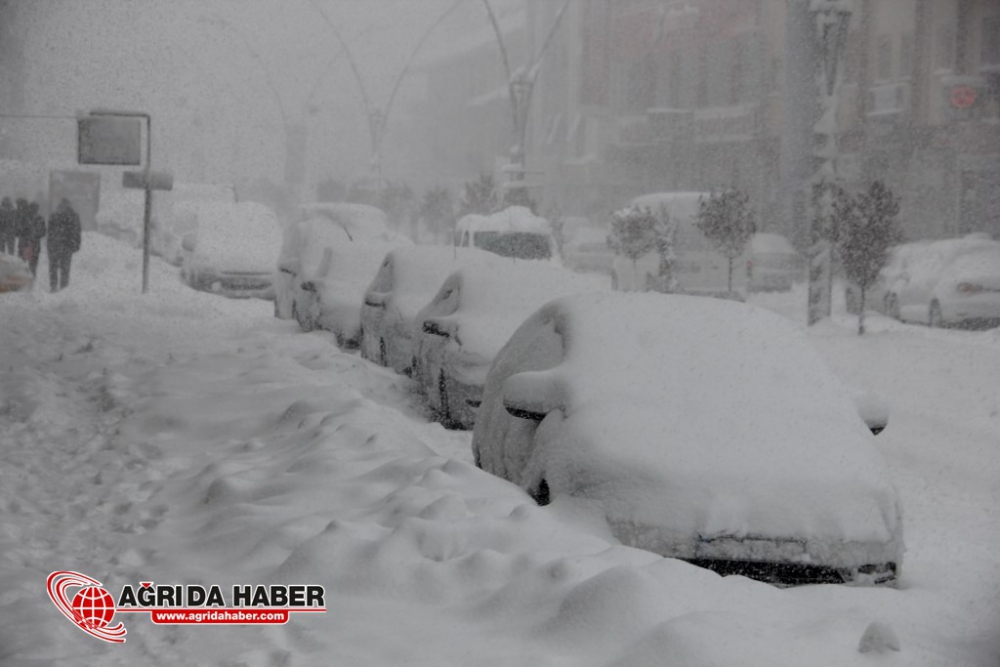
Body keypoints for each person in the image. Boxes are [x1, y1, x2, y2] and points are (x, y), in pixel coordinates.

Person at [47, 198, 81, 292]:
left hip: (55, 245)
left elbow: (50, 232)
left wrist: (49, 246)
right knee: (65, 268)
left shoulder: (54, 215)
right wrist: (76, 244)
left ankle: (53, 286)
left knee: (53, 267)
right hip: (67, 246)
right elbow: (77, 232)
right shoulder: (74, 216)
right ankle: (64, 287)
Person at [17, 199, 46, 277]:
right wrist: (35, 236)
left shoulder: (24, 217)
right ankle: (31, 279)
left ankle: (22, 278)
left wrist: (25, 236)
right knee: (33, 264)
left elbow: (19, 230)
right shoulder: (40, 218)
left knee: (21, 263)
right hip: (35, 244)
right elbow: (43, 232)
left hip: (24, 243)